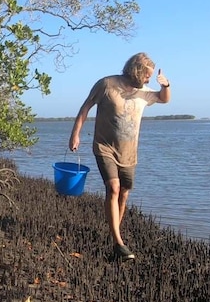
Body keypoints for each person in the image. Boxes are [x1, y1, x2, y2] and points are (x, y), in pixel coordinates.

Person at [68, 52, 171, 261]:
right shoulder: (106, 84)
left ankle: (115, 232)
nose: (148, 80)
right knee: (113, 188)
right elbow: (86, 106)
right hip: (105, 147)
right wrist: (75, 134)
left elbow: (163, 99)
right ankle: (118, 242)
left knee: (124, 193)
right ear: (136, 70)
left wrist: (166, 85)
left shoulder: (144, 92)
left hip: (129, 152)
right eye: (146, 75)